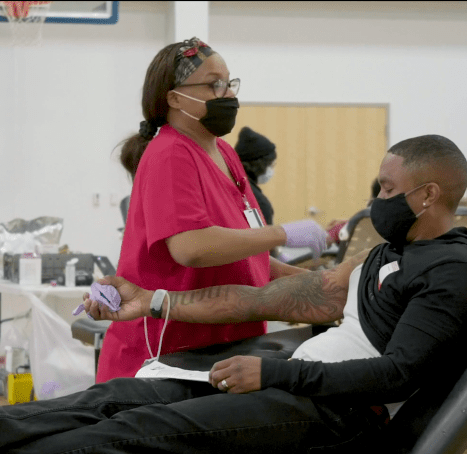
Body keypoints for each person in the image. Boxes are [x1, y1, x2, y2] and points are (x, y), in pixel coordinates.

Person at [0, 134, 467, 454]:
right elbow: (273, 294)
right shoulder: (386, 251)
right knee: (126, 397)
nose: (377, 200)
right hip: (310, 383)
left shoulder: (454, 272)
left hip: (348, 417)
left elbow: (397, 376)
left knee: (148, 433)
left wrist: (276, 373)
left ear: (428, 194)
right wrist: (156, 300)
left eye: (387, 189)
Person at [102, 37, 329, 382]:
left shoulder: (225, 153)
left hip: (223, 348)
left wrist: (326, 285)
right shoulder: (170, 154)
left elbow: (247, 261)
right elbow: (191, 248)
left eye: (229, 83)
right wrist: (281, 233)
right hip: (167, 354)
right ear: (176, 98)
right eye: (214, 85)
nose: (228, 94)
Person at [235, 126, 277, 225]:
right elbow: (260, 237)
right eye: (270, 165)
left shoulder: (232, 185)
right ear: (259, 164)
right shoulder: (255, 201)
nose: (271, 170)